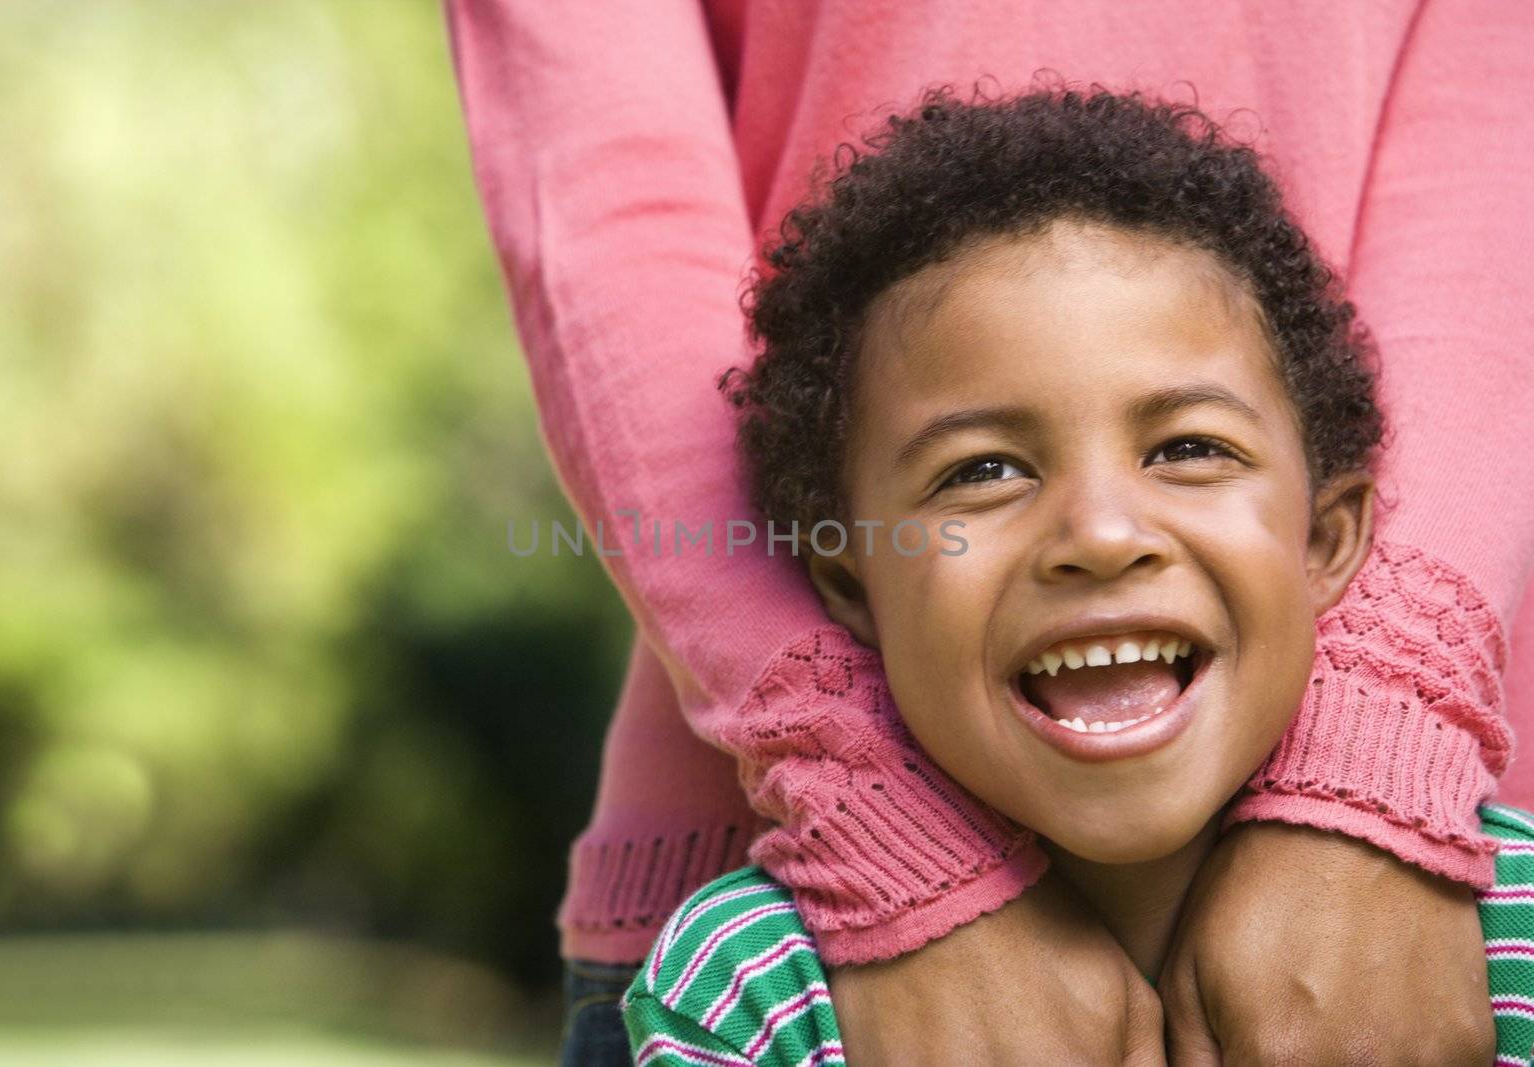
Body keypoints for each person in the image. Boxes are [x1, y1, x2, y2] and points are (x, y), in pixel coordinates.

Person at [442, 1, 1534, 1060]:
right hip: (815, 935)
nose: (1101, 533)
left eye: (1186, 448)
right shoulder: (744, 988)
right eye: (986, 469)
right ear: (845, 570)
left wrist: (1377, 758)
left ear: (1333, 531)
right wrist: (872, 820)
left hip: (1425, 903)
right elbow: (605, 202)